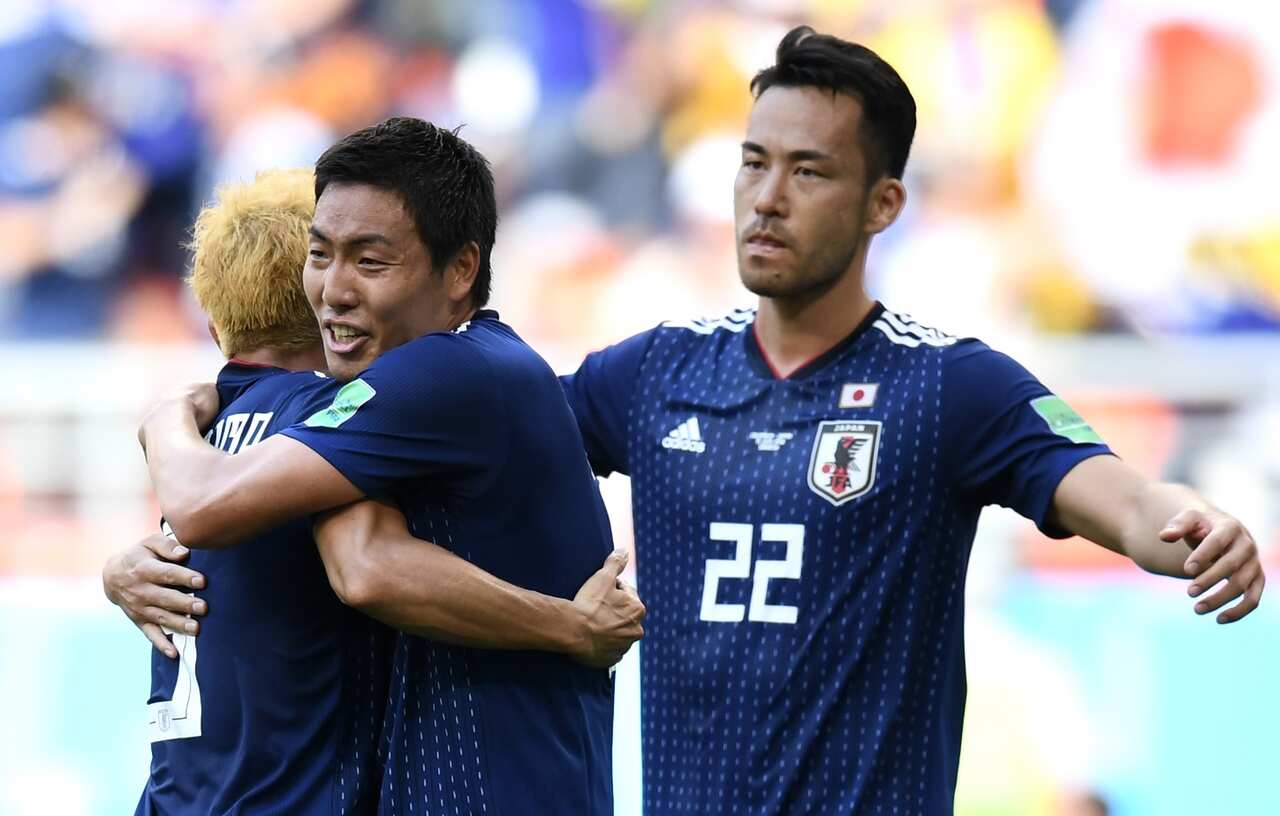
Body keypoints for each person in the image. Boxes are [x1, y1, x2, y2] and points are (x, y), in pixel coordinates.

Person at [559, 26, 1265, 814]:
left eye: (809, 172)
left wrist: (1193, 524)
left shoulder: (947, 387)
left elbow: (1125, 499)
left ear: (883, 204)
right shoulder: (653, 372)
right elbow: (473, 443)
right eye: (754, 163)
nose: (768, 198)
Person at [109, 154, 643, 815]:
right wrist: (568, 627)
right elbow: (364, 566)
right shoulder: (317, 423)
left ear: (218, 328)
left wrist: (150, 465)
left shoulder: (203, 443)